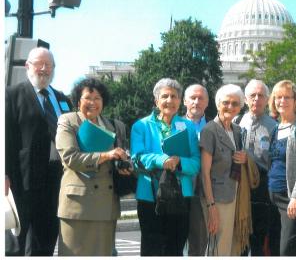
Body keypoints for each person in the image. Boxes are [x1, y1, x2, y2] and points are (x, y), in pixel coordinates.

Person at [5, 47, 73, 256]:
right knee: (20, 240)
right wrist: (4, 173)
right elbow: (5, 137)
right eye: (38, 64)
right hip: (23, 181)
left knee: (46, 238)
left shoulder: (63, 99)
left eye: (48, 65)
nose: (43, 69)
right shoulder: (11, 95)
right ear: (28, 66)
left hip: (56, 180)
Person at [55, 78, 131, 255]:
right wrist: (105, 155)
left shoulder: (115, 125)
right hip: (77, 207)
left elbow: (120, 158)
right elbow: (69, 157)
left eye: (98, 98)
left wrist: (124, 164)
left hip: (106, 206)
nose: (93, 103)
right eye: (87, 98)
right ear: (78, 100)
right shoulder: (68, 121)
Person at [131, 78, 200, 256]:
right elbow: (137, 158)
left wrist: (180, 162)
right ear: (156, 101)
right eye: (165, 96)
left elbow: (195, 163)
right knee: (151, 249)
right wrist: (160, 160)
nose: (170, 100)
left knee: (175, 249)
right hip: (150, 195)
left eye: (174, 96)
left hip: (181, 196)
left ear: (180, 101)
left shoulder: (188, 127)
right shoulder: (141, 126)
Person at [200, 84, 259, 256]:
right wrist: (211, 206)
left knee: (234, 248)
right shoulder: (209, 130)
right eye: (226, 102)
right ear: (218, 104)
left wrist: (245, 158)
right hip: (218, 200)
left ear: (240, 107)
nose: (230, 107)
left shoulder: (238, 130)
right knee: (219, 248)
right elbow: (205, 173)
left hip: (237, 196)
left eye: (235, 103)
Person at [267, 80, 296, 256]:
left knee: (288, 250)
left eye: (287, 97)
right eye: (278, 97)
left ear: (295, 100)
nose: (282, 101)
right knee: (275, 248)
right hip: (274, 198)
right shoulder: (276, 129)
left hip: (291, 200)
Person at [237, 79, 281, 256]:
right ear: (246, 99)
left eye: (260, 95)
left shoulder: (274, 127)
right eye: (252, 95)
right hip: (239, 185)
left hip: (262, 186)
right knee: (240, 237)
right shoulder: (236, 121)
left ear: (267, 99)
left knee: (259, 238)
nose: (256, 99)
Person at [183, 84, 210, 256]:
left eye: (201, 98)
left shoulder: (215, 128)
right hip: (178, 190)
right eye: (192, 98)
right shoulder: (172, 125)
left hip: (203, 193)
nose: (196, 102)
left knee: (199, 243)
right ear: (185, 101)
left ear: (207, 103)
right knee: (174, 241)